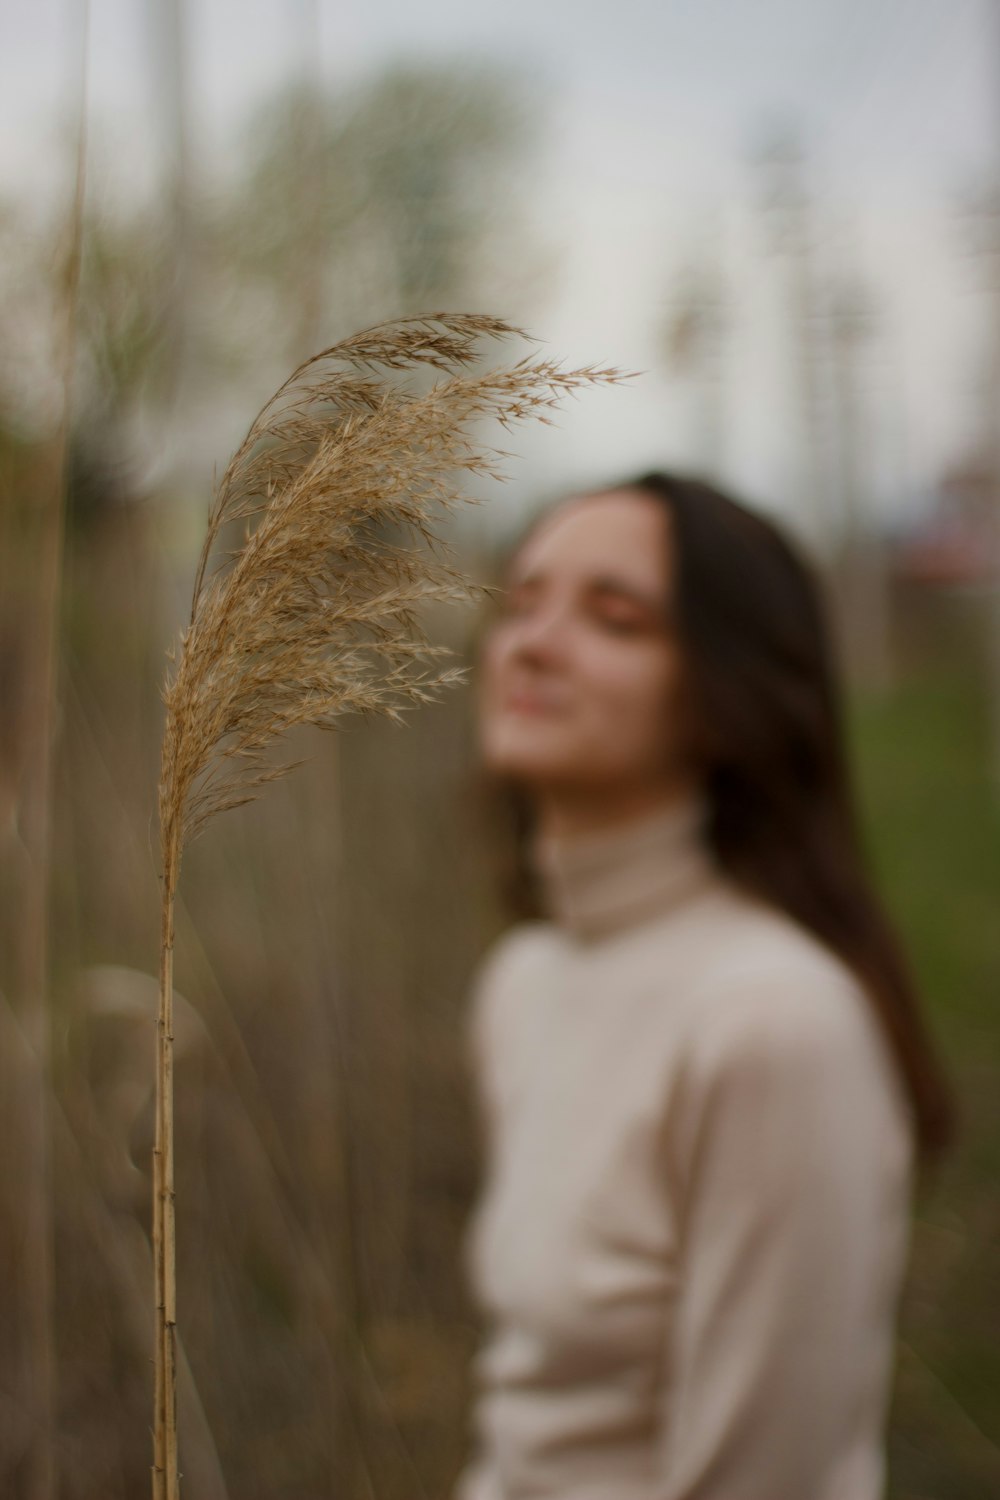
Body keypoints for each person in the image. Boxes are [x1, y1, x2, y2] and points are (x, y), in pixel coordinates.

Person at [455, 472, 953, 1500]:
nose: (532, 644)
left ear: (726, 700)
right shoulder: (522, 984)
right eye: (523, 600)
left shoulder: (774, 1024)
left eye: (615, 618)